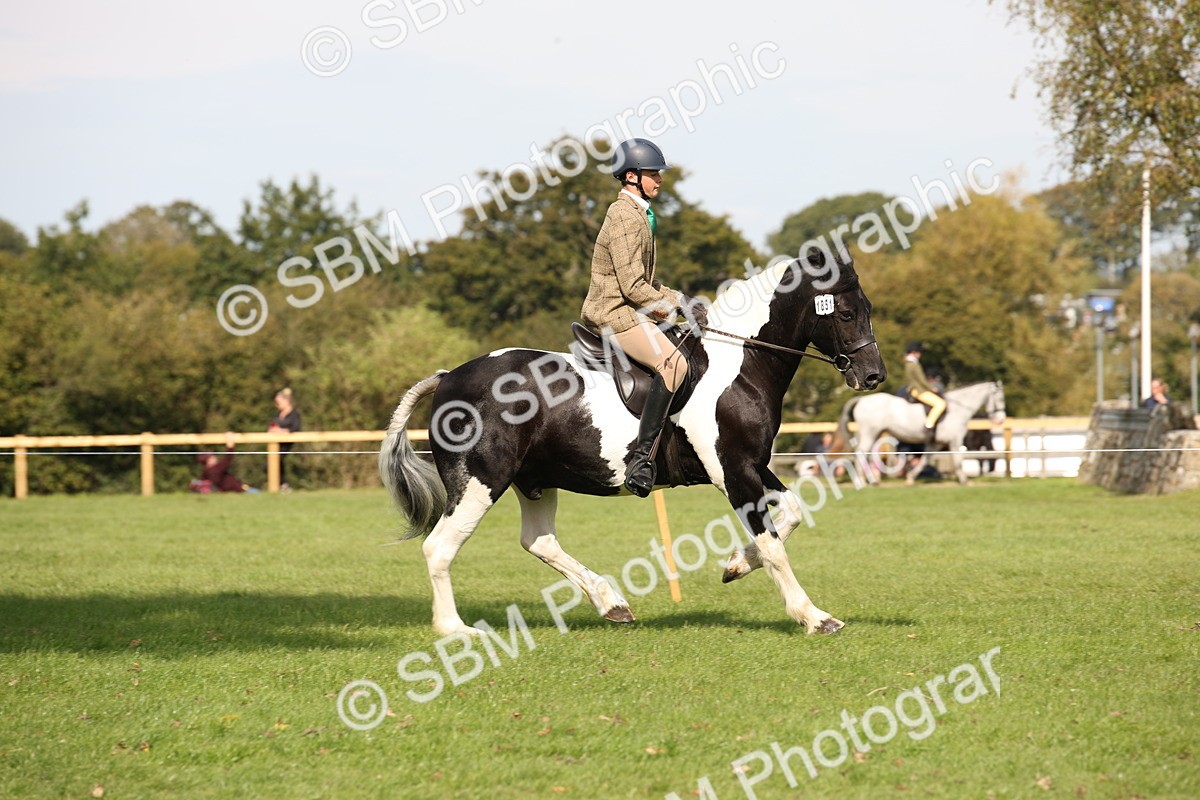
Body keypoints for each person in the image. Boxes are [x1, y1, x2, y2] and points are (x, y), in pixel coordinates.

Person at [580, 138, 706, 497]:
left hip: (630, 307)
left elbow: (648, 283)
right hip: (612, 312)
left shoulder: (639, 214)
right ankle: (641, 458)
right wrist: (675, 312)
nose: (659, 179)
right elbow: (633, 287)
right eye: (653, 173)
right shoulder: (623, 216)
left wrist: (684, 301)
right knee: (673, 364)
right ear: (631, 176)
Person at [903, 342, 946, 442]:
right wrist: (931, 388)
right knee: (940, 404)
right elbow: (921, 379)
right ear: (914, 352)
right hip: (919, 390)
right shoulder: (914, 364)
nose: (920, 354)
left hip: (914, 389)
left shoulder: (908, 364)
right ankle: (929, 424)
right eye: (918, 352)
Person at [195, 432, 259, 493]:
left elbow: (202, 481)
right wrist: (230, 444)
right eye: (212, 456)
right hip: (238, 490)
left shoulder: (206, 471)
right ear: (208, 460)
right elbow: (228, 458)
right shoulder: (216, 468)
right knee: (258, 493)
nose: (214, 457)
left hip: (233, 490)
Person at [268, 387, 301, 491]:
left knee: (276, 461)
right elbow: (271, 425)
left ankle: (283, 485)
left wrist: (282, 431)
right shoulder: (277, 414)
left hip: (287, 443)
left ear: (286, 401)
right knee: (270, 464)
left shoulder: (294, 414)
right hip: (275, 443)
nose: (276, 405)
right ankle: (282, 485)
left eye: (278, 402)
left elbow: (296, 428)